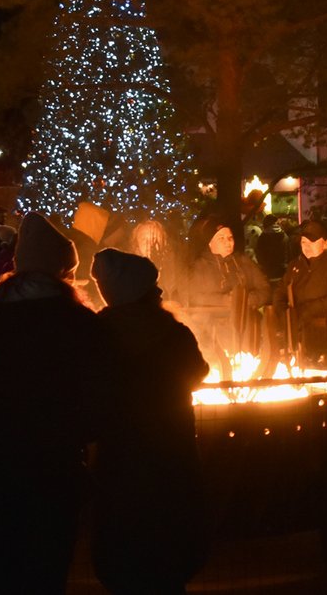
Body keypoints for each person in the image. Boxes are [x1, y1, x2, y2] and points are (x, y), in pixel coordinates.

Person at [0, 213, 105, 594]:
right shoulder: (77, 320)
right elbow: (98, 390)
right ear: (60, 270)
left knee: (2, 568)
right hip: (53, 470)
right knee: (47, 570)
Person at [89, 248, 210, 594]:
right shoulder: (172, 332)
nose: (159, 292)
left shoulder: (98, 334)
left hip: (118, 457)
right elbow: (198, 371)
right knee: (169, 540)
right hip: (171, 450)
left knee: (125, 540)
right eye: (152, 286)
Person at [273, 219, 327, 364]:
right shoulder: (295, 266)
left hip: (325, 336)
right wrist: (283, 312)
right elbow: (280, 291)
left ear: (326, 243)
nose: (307, 246)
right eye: (304, 242)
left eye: (312, 242)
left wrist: (307, 310)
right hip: (294, 332)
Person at [186, 223, 271, 358]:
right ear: (210, 243)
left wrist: (244, 300)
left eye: (230, 238)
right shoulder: (200, 267)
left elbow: (265, 290)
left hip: (246, 327)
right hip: (213, 329)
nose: (228, 242)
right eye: (221, 238)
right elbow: (194, 296)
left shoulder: (244, 262)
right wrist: (224, 300)